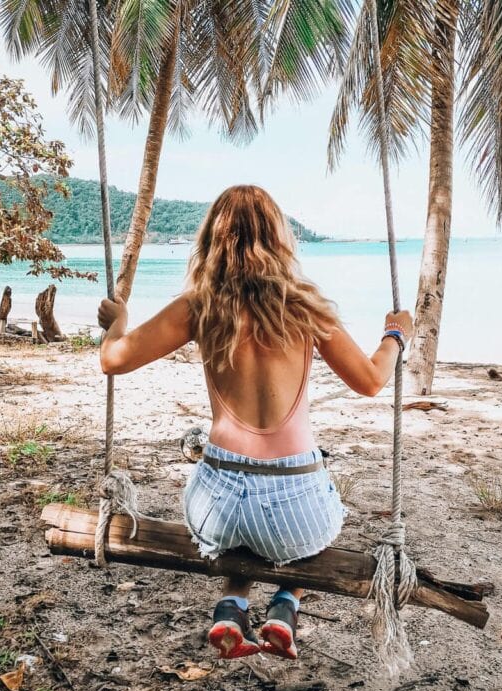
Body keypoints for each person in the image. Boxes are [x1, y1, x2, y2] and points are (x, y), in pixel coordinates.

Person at [97, 185, 412, 660]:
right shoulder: (305, 307)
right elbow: (370, 380)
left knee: (246, 524)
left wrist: (118, 321)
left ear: (211, 241)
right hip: (294, 511)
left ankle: (232, 605)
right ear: (280, 239)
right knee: (301, 525)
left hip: (215, 508)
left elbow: (113, 360)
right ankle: (285, 604)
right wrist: (394, 335)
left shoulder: (197, 306)